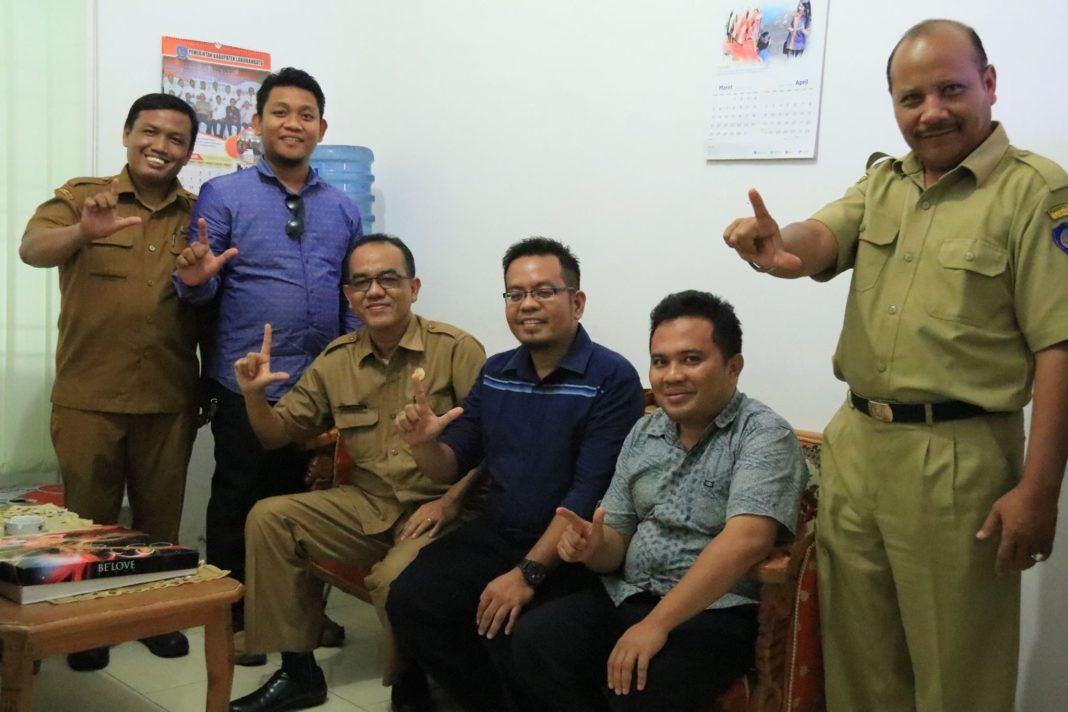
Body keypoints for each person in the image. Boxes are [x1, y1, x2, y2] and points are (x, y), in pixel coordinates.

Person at [722, 19, 1068, 712]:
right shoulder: (885, 181)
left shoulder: (1036, 191)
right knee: (861, 668)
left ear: (988, 84)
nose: (931, 111)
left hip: (958, 459)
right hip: (858, 447)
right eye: (912, 98)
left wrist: (1039, 488)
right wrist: (778, 248)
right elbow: (820, 237)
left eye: (950, 90)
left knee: (958, 675)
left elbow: (1058, 346)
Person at [511, 290, 807, 711]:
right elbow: (615, 537)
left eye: (691, 360)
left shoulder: (763, 435)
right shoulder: (644, 432)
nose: (671, 376)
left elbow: (748, 540)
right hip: (628, 595)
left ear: (733, 367)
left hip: (714, 612)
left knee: (639, 686)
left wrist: (656, 624)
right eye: (660, 362)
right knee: (535, 640)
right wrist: (592, 547)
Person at [228, 235, 486, 712]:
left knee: (395, 579)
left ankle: (416, 685)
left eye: (389, 279)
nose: (376, 291)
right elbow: (277, 434)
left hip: (442, 510)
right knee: (270, 517)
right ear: (348, 296)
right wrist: (253, 396)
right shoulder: (337, 360)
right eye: (362, 282)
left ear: (414, 287)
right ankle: (299, 672)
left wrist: (447, 503)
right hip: (368, 504)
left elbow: (496, 448)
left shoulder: (458, 350)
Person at [387, 237, 646, 711]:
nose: (527, 304)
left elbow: (589, 491)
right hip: (498, 532)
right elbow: (450, 464)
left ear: (577, 302)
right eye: (515, 293)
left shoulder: (612, 377)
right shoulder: (496, 371)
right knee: (411, 598)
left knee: (519, 631)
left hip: (571, 552)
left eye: (544, 292)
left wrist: (527, 573)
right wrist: (423, 443)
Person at [174, 67, 363, 655]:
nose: (293, 124)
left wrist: (354, 371)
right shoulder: (223, 195)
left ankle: (299, 620)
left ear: (322, 128)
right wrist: (195, 280)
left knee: (307, 508)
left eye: (306, 114)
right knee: (239, 503)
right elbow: (200, 286)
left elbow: (351, 298)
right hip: (247, 384)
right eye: (280, 112)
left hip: (318, 387)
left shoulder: (343, 208)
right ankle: (235, 621)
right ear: (257, 123)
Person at [19, 93, 202, 671]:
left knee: (158, 523)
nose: (161, 146)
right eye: (150, 132)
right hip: (88, 396)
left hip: (168, 396)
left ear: (189, 152)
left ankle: (152, 617)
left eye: (176, 139)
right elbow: (31, 249)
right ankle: (88, 627)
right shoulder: (83, 198)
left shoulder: (199, 214)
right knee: (87, 522)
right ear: (127, 135)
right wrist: (82, 232)